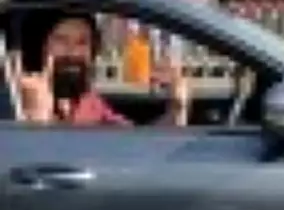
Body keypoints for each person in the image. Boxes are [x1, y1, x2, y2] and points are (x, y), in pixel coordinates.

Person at [17, 11, 189, 127]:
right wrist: (36, 119)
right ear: (40, 47)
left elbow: (133, 146)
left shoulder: (86, 101)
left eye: (82, 42)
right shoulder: (14, 100)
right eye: (61, 40)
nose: (73, 52)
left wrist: (176, 109)